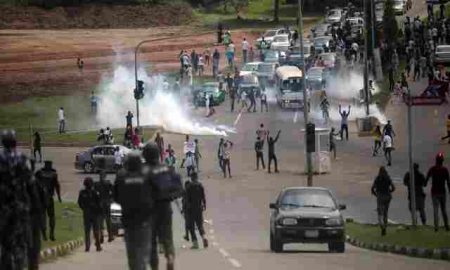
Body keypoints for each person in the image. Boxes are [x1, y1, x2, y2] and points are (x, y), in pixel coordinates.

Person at [0, 129, 36, 270]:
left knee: (5, 245)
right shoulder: (22, 159)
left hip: (3, 211)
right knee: (21, 245)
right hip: (20, 210)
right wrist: (36, 206)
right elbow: (31, 185)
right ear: (15, 142)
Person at [144, 143, 183, 270]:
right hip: (165, 207)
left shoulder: (143, 171)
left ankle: (154, 266)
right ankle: (170, 256)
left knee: (151, 241)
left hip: (150, 210)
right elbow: (179, 188)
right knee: (167, 237)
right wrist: (171, 195)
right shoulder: (167, 169)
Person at [114, 151, 154, 270]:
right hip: (145, 223)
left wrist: (115, 224)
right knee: (142, 256)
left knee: (132, 258)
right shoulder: (146, 176)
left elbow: (115, 202)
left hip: (128, 224)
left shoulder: (121, 177)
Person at [35, 160, 61, 241]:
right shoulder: (54, 174)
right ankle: (51, 234)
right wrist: (59, 196)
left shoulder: (39, 173)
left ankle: (44, 235)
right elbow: (57, 186)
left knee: (43, 216)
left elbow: (34, 184)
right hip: (49, 197)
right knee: (52, 216)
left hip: (41, 198)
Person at [425, 153, 450, 231]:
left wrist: (425, 183)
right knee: (444, 210)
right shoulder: (445, 170)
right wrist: (449, 190)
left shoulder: (432, 169)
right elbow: (448, 182)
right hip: (442, 192)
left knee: (435, 210)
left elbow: (427, 178)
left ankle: (436, 227)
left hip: (435, 192)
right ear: (442, 161)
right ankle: (446, 226)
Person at [78, 177, 102, 252]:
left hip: (87, 214)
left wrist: (84, 209)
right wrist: (98, 211)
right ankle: (98, 246)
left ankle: (87, 247)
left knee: (87, 231)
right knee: (96, 231)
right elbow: (99, 204)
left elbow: (79, 203)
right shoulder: (95, 192)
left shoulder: (82, 193)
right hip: (94, 214)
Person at [185, 172, 208, 249]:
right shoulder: (200, 185)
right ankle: (204, 238)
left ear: (191, 177)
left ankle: (195, 244)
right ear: (196, 177)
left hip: (191, 209)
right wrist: (204, 205)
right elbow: (203, 197)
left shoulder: (189, 186)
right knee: (200, 225)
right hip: (199, 208)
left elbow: (187, 199)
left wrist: (186, 208)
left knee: (191, 226)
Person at [371, 166, 395, 236]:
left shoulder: (377, 178)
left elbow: (372, 189)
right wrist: (389, 191)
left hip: (380, 196)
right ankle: (385, 226)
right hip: (387, 196)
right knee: (385, 212)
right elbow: (393, 188)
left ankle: (382, 227)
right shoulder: (388, 178)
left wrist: (376, 194)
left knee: (380, 213)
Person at [94, 162, 115, 243]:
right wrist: (111, 200)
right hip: (107, 203)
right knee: (108, 220)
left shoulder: (96, 184)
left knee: (100, 220)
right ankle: (110, 236)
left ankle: (101, 236)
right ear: (105, 176)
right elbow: (113, 193)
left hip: (100, 203)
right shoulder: (108, 183)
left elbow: (95, 194)